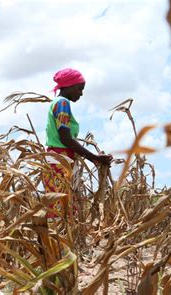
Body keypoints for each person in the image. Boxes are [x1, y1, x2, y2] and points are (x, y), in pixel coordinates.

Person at [43, 68, 112, 219]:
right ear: (68, 86)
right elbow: (65, 138)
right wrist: (94, 158)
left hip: (57, 159)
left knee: (60, 208)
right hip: (60, 160)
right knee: (62, 210)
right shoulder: (62, 104)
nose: (81, 93)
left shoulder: (57, 103)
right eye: (79, 89)